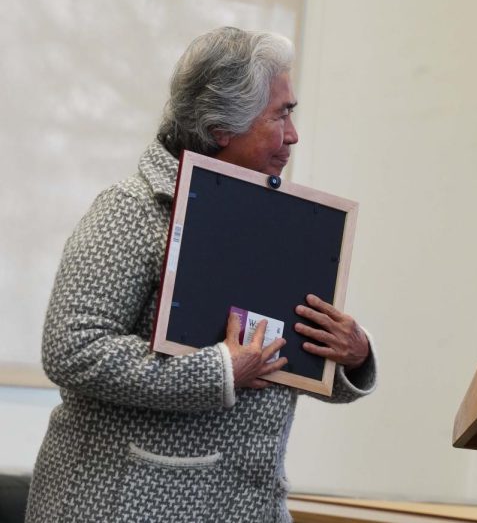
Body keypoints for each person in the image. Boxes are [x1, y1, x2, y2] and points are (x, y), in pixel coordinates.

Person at [26, 27, 376, 523]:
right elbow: (73, 349)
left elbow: (273, 359)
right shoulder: (130, 210)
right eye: (281, 114)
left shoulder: (277, 220)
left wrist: (350, 354)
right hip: (121, 504)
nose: (294, 134)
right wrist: (217, 372)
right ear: (221, 129)